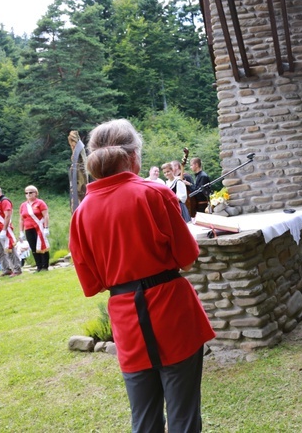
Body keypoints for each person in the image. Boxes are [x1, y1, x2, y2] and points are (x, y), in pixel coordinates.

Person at [70, 119, 214, 432]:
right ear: (133, 156)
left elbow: (91, 283)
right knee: (184, 417)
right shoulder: (154, 193)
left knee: (144, 420)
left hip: (126, 319)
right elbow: (188, 257)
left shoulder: (81, 213)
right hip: (172, 313)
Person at [0, 185, 21, 277]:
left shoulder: (5, 201)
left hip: (3, 230)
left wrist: (4, 229)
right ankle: (6, 269)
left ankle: (17, 269)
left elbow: (7, 216)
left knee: (9, 249)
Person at [20, 185, 50, 272]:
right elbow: (21, 219)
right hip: (29, 228)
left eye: (30, 192)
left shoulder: (40, 203)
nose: (28, 194)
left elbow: (46, 215)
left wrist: (46, 227)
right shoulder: (23, 205)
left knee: (42, 246)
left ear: (35, 193)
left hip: (39, 227)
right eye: (26, 193)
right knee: (33, 247)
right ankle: (39, 266)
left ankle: (45, 266)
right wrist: (21, 232)